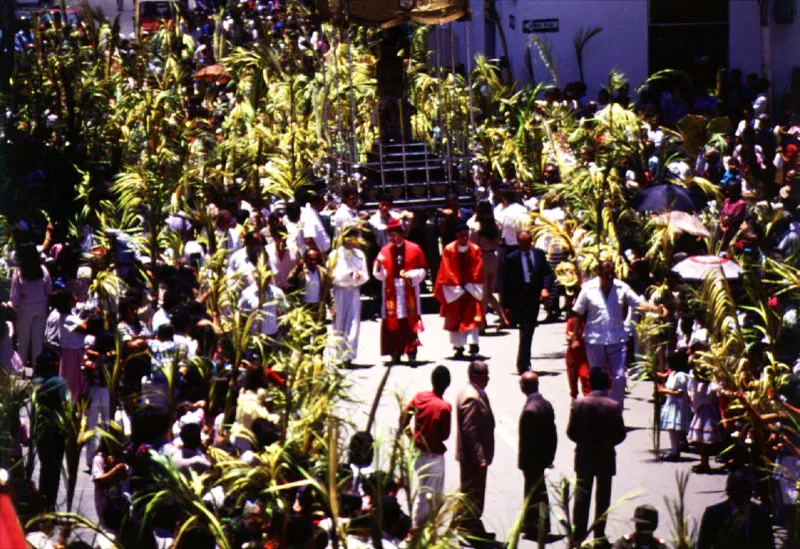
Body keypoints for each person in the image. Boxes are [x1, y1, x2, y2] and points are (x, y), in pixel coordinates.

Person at [571, 260, 666, 405]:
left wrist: (655, 309)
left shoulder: (622, 288)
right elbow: (578, 313)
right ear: (599, 274)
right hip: (595, 340)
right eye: (606, 274)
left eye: (612, 273)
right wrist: (575, 338)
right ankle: (599, 408)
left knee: (619, 377)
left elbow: (638, 303)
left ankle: (615, 409)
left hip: (617, 339)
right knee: (596, 378)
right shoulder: (588, 289)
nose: (610, 277)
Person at [567, 369, 626, 545]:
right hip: (606, 457)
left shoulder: (578, 404)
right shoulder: (613, 406)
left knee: (582, 497)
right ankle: (599, 535)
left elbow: (571, 432)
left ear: (590, 383)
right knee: (603, 498)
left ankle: (578, 535)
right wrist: (606, 443)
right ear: (607, 383)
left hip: (584, 456)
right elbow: (620, 434)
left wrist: (585, 443)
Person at [373, 218, 428, 364]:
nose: (393, 238)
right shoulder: (385, 250)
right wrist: (379, 265)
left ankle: (411, 353)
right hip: (391, 290)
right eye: (391, 236)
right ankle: (395, 353)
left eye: (396, 235)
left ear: (402, 234)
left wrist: (412, 275)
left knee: (409, 321)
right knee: (393, 322)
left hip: (408, 288)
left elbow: (423, 269)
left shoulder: (414, 248)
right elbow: (378, 273)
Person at [404, 365, 452, 529]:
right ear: (447, 384)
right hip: (433, 455)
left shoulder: (420, 397)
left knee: (426, 490)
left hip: (417, 451)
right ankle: (417, 529)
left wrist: (410, 437)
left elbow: (404, 417)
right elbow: (445, 435)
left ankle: (424, 527)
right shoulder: (444, 407)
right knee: (429, 494)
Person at [502, 230, 554, 374]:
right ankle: (523, 363)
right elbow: (506, 283)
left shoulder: (538, 254)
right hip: (520, 297)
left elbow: (548, 273)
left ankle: (523, 361)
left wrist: (545, 288)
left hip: (534, 296)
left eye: (528, 242)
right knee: (526, 330)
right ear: (519, 243)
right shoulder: (511, 258)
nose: (526, 246)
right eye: (523, 243)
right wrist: (506, 306)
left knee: (528, 330)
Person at [455, 360, 495, 540]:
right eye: (485, 375)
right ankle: (470, 530)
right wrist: (480, 458)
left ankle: (468, 526)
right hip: (473, 457)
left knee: (470, 492)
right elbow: (469, 430)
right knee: (474, 494)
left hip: (471, 456)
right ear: (475, 376)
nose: (488, 378)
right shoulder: (472, 397)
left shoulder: (470, 391)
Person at [433, 223, 484, 358]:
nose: (464, 238)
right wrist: (457, 289)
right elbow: (447, 271)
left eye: (466, 236)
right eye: (461, 235)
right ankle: (458, 347)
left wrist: (468, 288)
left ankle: (473, 346)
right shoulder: (449, 250)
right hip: (454, 290)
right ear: (456, 235)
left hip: (471, 289)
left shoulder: (475, 249)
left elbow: (477, 270)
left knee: (471, 317)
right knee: (455, 318)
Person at [518, 372, 558, 542]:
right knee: (540, 491)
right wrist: (549, 457)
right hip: (542, 458)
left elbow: (526, 441)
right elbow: (553, 434)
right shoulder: (546, 405)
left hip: (532, 460)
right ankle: (540, 523)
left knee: (532, 492)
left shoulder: (530, 410)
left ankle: (533, 525)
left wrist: (523, 462)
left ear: (525, 386)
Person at [697, 471, 774, 549]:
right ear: (729, 492)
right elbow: (703, 545)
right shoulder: (713, 514)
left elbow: (769, 545)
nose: (741, 500)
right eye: (738, 494)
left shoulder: (761, 515)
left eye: (745, 494)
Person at [31, 348, 68, 510]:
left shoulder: (36, 382)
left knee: (45, 467)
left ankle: (42, 501)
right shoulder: (59, 382)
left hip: (40, 430)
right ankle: (50, 504)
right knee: (55, 469)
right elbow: (65, 405)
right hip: (56, 431)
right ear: (54, 363)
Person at [329, 229, 369, 365]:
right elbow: (333, 276)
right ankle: (340, 356)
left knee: (353, 324)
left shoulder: (359, 255)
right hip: (339, 292)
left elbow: (365, 275)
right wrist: (349, 274)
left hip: (353, 291)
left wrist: (357, 277)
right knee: (339, 324)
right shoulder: (335, 254)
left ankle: (349, 357)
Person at [10, 242, 53, 368]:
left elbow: (15, 295)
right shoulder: (42, 269)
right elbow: (49, 289)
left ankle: (21, 369)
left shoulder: (18, 271)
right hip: (41, 306)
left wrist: (14, 308)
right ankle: (37, 369)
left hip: (25, 307)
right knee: (38, 341)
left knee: (22, 341)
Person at [469, 200, 509, 330]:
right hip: (493, 257)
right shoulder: (497, 225)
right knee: (490, 293)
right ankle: (503, 319)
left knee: (482, 294)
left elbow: (472, 245)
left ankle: (482, 323)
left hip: (481, 258)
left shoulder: (476, 226)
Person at [657, 351, 692, 461]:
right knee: (671, 429)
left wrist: (664, 390)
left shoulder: (681, 376)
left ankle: (675, 451)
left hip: (678, 406)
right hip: (671, 404)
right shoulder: (673, 373)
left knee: (675, 429)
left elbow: (680, 393)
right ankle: (674, 449)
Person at [565, 311, 591, 399]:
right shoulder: (571, 321)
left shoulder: (589, 323)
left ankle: (588, 399)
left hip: (585, 355)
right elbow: (567, 336)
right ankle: (574, 397)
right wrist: (572, 338)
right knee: (572, 378)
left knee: (585, 376)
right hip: (572, 355)